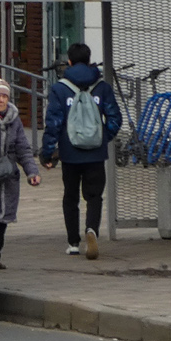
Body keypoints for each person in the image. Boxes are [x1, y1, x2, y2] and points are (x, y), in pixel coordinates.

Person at [41, 42, 122, 259]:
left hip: (70, 152)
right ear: (89, 60)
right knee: (94, 195)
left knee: (71, 197)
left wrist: (47, 153)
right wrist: (103, 138)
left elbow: (54, 123)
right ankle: (92, 230)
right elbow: (115, 118)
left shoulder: (60, 88)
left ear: (69, 62)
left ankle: (73, 243)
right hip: (96, 153)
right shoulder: (102, 87)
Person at [0, 77, 41, 270]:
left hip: (8, 176)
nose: (1, 100)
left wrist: (32, 172)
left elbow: (23, 149)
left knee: (4, 217)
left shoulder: (14, 120)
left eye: (4, 96)